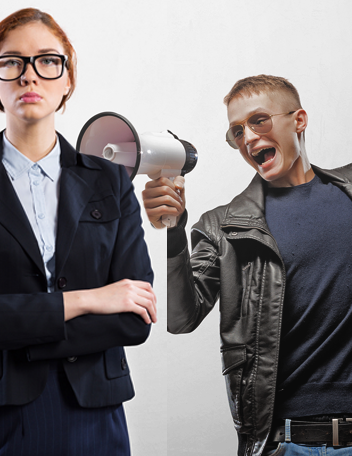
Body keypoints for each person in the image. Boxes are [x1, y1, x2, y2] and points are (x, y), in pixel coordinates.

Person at [0, 8, 156, 456]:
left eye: (48, 61)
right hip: (0, 412)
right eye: (12, 63)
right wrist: (88, 299)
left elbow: (133, 315)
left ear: (67, 79)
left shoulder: (110, 180)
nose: (30, 77)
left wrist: (0, 313)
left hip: (96, 411)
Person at [143, 74, 352, 456]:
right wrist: (174, 231)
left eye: (259, 120)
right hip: (287, 445)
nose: (249, 138)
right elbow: (180, 318)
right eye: (237, 131)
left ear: (299, 120)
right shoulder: (222, 227)